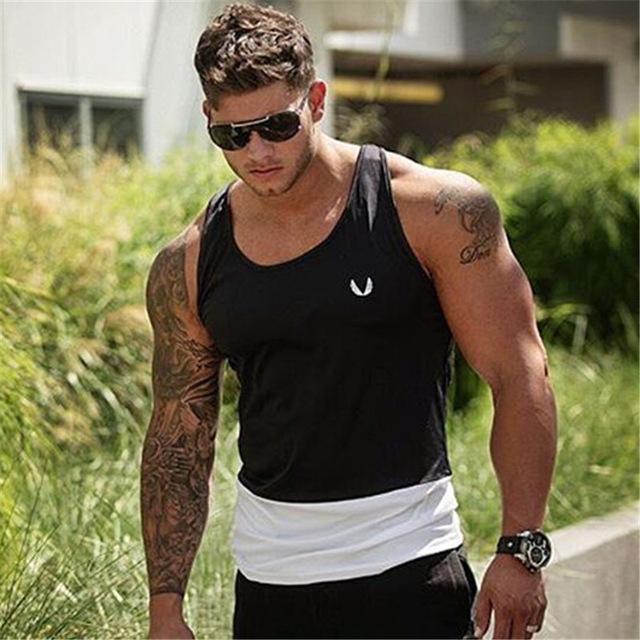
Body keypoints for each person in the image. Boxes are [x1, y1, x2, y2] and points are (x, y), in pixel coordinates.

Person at [140, 3, 557, 639]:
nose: (258, 151)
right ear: (209, 120)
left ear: (315, 100)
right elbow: (179, 438)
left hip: (412, 568)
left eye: (278, 125)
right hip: (271, 588)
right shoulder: (190, 263)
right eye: (234, 135)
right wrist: (165, 608)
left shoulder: (436, 212)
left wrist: (521, 544)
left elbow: (519, 371)